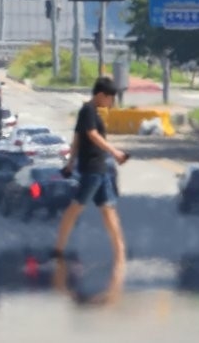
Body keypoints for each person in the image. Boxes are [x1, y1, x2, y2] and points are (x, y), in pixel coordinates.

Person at [54, 77, 129, 264]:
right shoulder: (88, 110)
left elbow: (76, 139)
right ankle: (59, 249)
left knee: (108, 209)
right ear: (101, 95)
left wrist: (70, 163)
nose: (111, 102)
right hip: (92, 168)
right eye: (110, 98)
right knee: (75, 207)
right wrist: (115, 152)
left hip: (100, 168)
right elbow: (90, 134)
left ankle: (120, 251)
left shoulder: (90, 111)